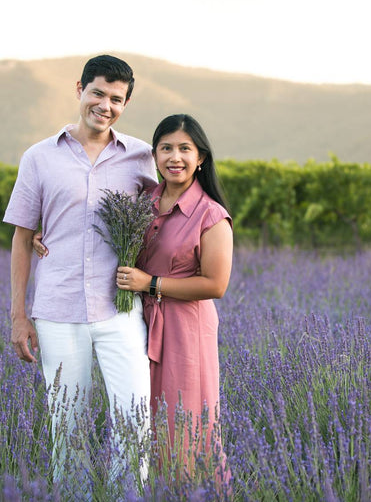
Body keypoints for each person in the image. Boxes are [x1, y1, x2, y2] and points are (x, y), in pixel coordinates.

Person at [3, 55, 158, 486]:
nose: (105, 105)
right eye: (98, 93)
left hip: (121, 311)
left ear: (125, 104)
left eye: (116, 99)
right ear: (79, 89)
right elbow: (21, 238)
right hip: (57, 310)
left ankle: (130, 496)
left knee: (133, 420)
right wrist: (19, 315)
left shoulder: (142, 157)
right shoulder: (38, 157)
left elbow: (168, 214)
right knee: (65, 427)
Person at [115, 114, 233, 477]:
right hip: (140, 326)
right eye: (166, 148)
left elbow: (215, 285)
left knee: (183, 423)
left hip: (186, 332)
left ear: (201, 158)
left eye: (185, 149)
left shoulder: (210, 214)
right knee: (142, 421)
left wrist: (150, 284)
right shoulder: (141, 202)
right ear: (154, 155)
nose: (174, 157)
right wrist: (44, 236)